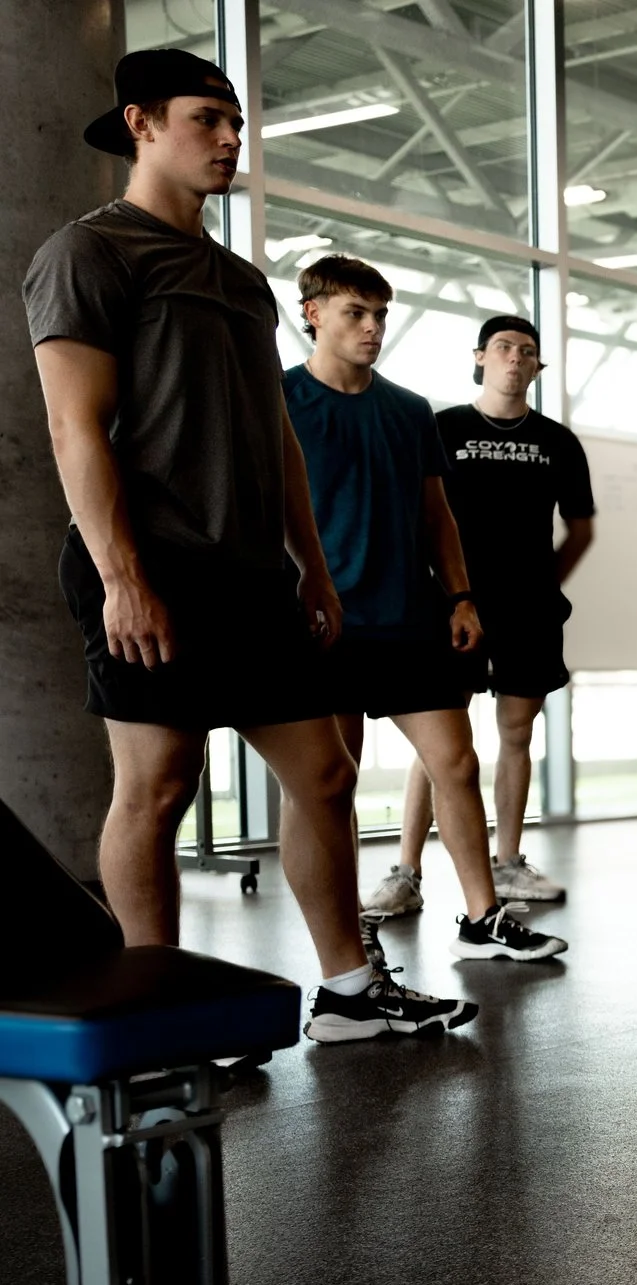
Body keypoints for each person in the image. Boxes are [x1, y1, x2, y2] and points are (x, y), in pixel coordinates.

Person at [26, 49, 473, 1041]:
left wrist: (309, 566)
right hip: (149, 564)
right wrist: (121, 578)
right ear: (141, 123)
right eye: (207, 119)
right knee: (158, 787)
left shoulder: (241, 282)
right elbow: (72, 427)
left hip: (254, 575)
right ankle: (154, 1010)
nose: (231, 140)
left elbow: (276, 438)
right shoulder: (90, 252)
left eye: (237, 124)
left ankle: (348, 992)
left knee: (325, 774)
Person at [286, 255, 566, 967]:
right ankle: (346, 938)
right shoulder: (278, 399)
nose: (373, 327)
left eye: (380, 314)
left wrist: (461, 596)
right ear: (312, 313)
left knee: (456, 762)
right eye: (356, 313)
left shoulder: (411, 412)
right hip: (324, 623)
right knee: (331, 784)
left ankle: (482, 918)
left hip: (411, 617)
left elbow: (438, 516)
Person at [364, 315, 595, 919]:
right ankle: (406, 872)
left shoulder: (557, 441)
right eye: (504, 347)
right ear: (480, 357)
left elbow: (581, 529)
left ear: (537, 367)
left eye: (527, 351)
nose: (516, 357)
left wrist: (543, 584)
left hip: (530, 613)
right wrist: (445, 591)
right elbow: (419, 516)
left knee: (518, 733)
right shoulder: (444, 429)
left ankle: (508, 863)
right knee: (439, 742)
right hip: (453, 606)